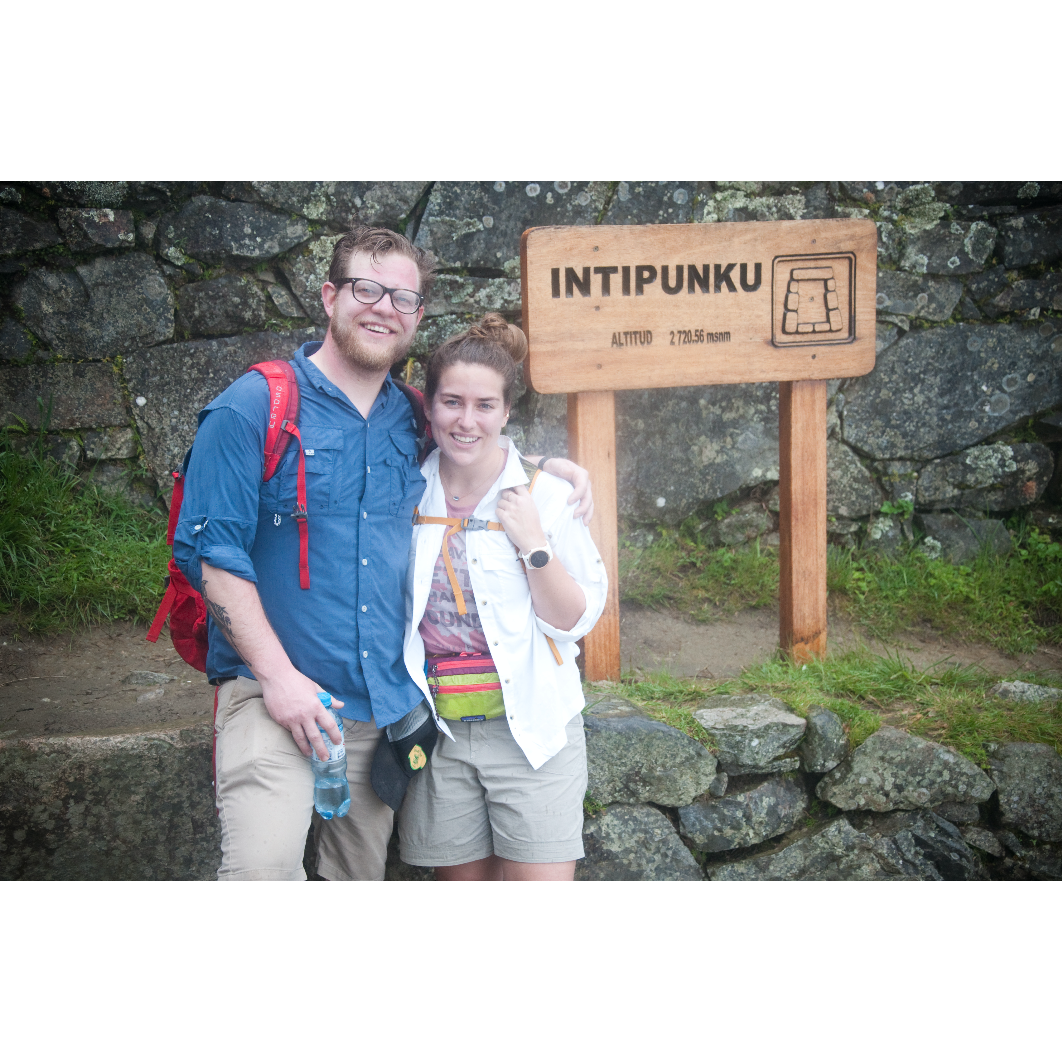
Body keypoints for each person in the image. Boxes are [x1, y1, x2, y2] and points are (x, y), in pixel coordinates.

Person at [172, 226, 593, 880]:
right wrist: (279, 682)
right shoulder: (253, 406)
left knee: (358, 883)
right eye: (366, 288)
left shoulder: (413, 415)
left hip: (377, 707)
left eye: (402, 297)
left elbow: (476, 439)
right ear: (329, 297)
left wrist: (550, 469)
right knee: (261, 872)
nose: (383, 307)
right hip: (272, 692)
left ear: (418, 316)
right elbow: (213, 559)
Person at [398, 314, 606, 880]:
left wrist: (535, 545)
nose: (467, 420)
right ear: (429, 406)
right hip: (439, 735)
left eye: (485, 405)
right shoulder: (406, 489)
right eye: (451, 402)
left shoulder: (549, 496)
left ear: (507, 411)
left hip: (533, 731)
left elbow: (574, 620)